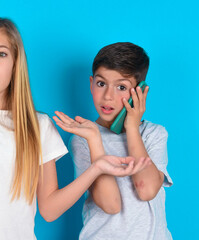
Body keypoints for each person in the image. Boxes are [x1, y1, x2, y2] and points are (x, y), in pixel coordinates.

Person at [0, 16, 150, 240]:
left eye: (1, 54)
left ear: (15, 63)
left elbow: (49, 210)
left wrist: (96, 169)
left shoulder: (37, 126)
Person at [53, 42, 173, 239]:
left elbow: (147, 190)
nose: (108, 96)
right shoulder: (84, 139)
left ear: (140, 93)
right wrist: (94, 140)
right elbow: (110, 204)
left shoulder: (154, 134)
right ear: (91, 84)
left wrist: (132, 128)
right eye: (101, 84)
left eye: (121, 87)